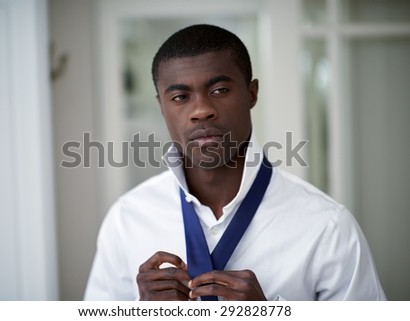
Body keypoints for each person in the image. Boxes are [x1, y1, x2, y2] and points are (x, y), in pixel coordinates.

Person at [84, 24, 386, 301]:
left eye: (220, 90)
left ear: (251, 94)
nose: (201, 110)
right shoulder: (126, 220)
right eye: (179, 96)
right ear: (161, 107)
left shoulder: (327, 226)